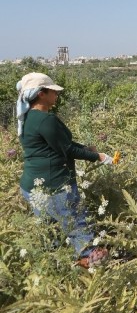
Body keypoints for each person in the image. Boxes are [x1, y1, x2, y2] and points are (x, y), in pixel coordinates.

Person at [16, 72, 112, 268]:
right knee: (77, 224)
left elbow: (61, 142)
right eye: (53, 91)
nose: (56, 95)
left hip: (32, 187)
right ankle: (91, 264)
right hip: (55, 186)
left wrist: (84, 147)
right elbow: (66, 148)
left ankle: (57, 268)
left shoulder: (28, 117)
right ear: (41, 94)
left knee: (51, 232)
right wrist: (98, 157)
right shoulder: (45, 119)